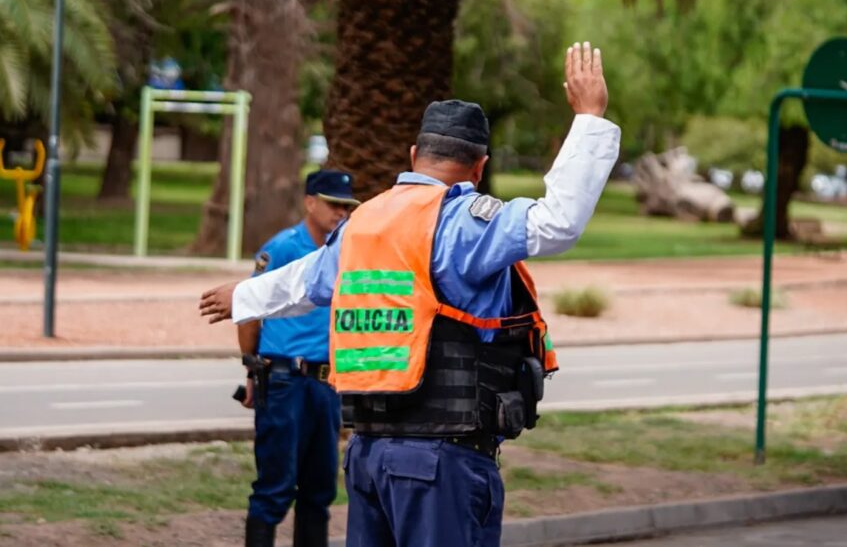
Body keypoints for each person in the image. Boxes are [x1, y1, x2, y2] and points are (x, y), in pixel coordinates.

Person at [202, 41, 620, 547]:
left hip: (368, 458)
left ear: (415, 155)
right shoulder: (468, 222)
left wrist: (243, 295)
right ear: (479, 166)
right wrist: (589, 118)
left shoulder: (364, 223)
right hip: (441, 463)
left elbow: (310, 281)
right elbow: (558, 222)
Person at [240, 170, 359, 547]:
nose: (340, 212)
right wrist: (252, 368)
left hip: (325, 383)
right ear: (310, 202)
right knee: (274, 486)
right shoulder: (285, 247)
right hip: (284, 380)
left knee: (319, 490)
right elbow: (248, 309)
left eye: (346, 206)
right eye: (333, 204)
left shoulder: (345, 251)